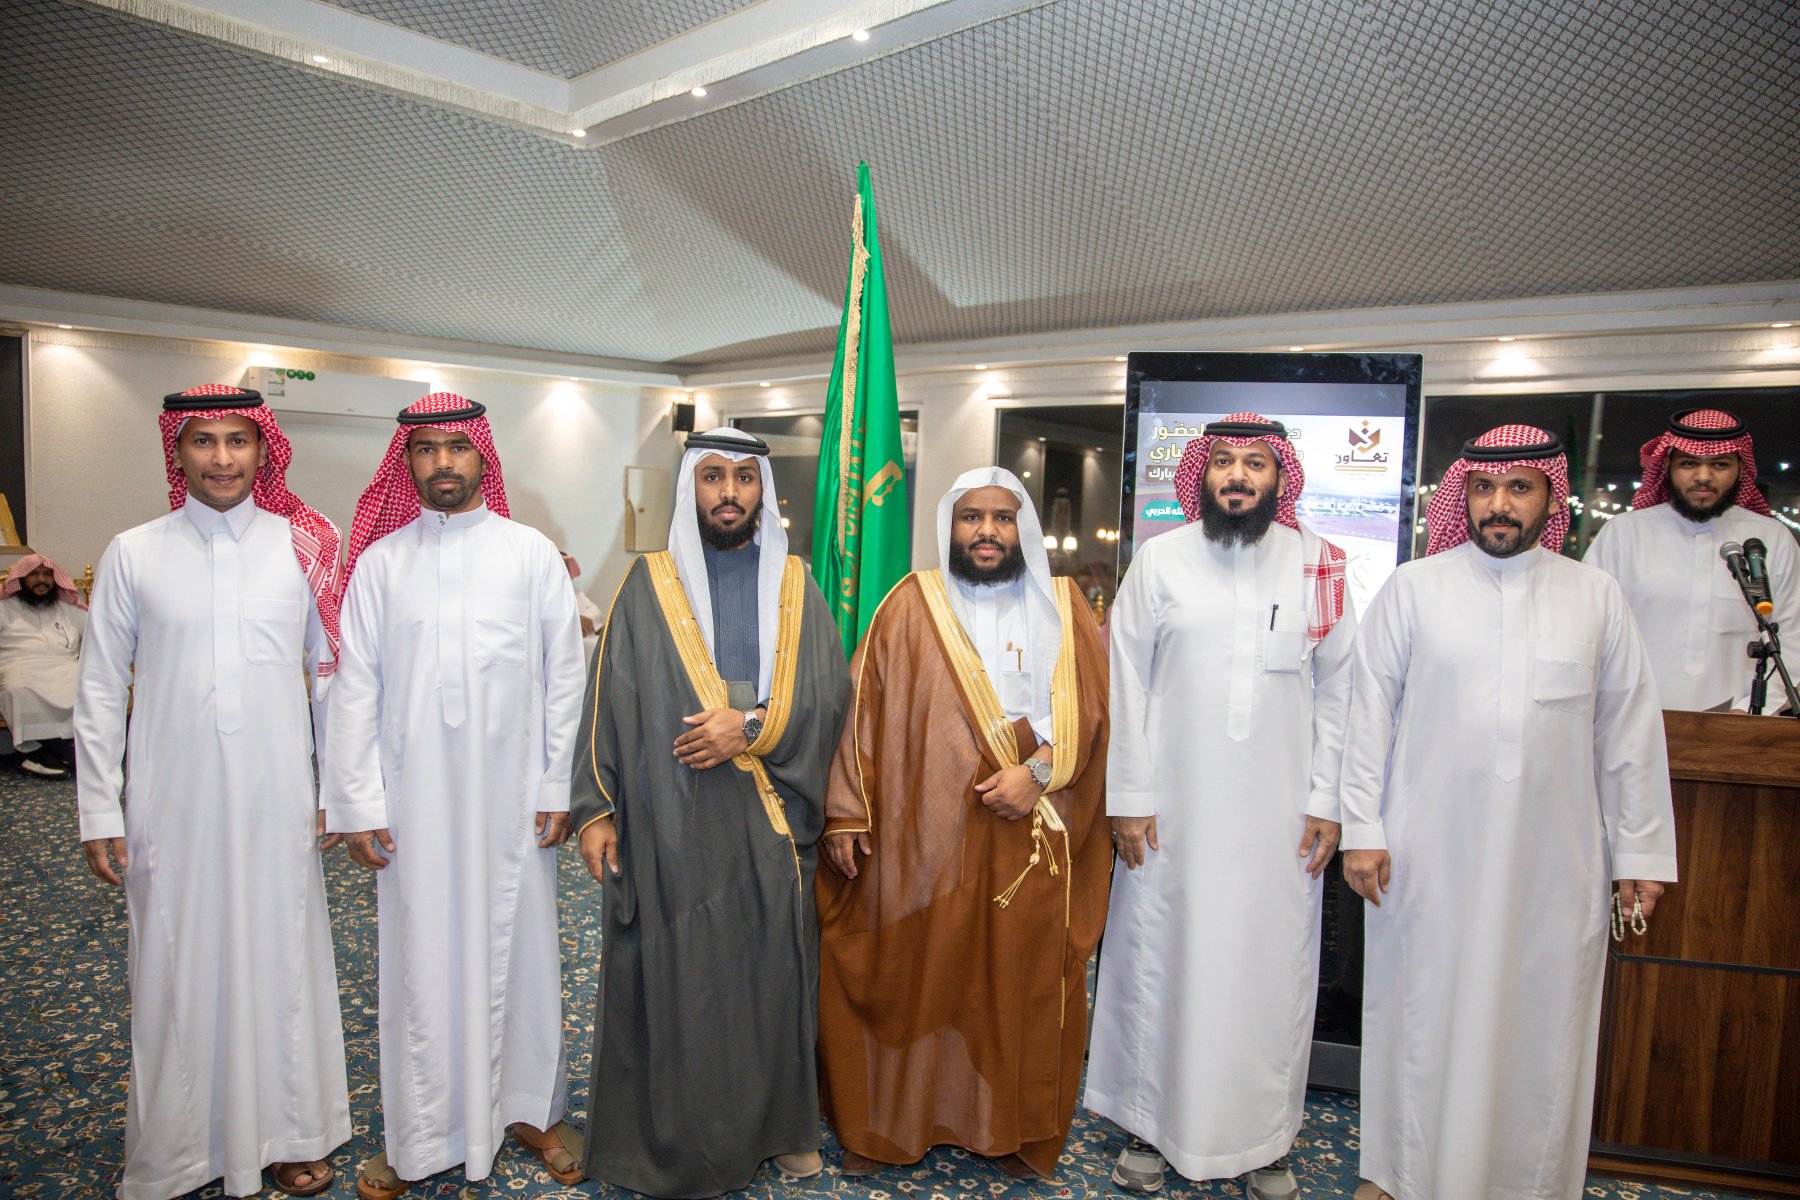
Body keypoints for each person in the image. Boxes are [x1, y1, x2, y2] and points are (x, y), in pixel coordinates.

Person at [1338, 425, 1677, 1200]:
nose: (1499, 504)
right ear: (1463, 495)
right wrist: (1362, 830)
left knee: (1542, 1025)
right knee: (1420, 1012)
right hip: (1427, 855)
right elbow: (1366, 719)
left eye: (1519, 488)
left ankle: (1530, 1182)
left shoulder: (1595, 596)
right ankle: (1398, 1174)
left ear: (1552, 500)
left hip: (1553, 865)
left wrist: (1640, 855)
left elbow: (1629, 732)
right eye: (1485, 488)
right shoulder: (1414, 588)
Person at [74, 383, 349, 1199]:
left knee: (282, 958)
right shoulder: (135, 551)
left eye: (238, 440)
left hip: (277, 796)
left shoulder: (303, 545)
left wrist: (340, 787)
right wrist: (99, 807)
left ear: (263, 449)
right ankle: (182, 1149)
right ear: (178, 450)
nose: (222, 458)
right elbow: (99, 686)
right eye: (204, 441)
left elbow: (332, 678)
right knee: (174, 966)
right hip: (171, 800)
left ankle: (292, 1132)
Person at [571, 427, 851, 1197]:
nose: (729, 493)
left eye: (744, 478)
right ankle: (670, 1138)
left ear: (763, 490)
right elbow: (605, 703)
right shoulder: (645, 584)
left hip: (768, 816)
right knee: (678, 979)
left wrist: (752, 727)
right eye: (713, 477)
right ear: (691, 486)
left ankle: (781, 1130)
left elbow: (828, 695)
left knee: (769, 979)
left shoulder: (796, 584)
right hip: (668, 821)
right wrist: (596, 809)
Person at [323, 393, 586, 1198]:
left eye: (457, 448)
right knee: (420, 961)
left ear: (483, 457)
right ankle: (422, 1133)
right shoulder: (380, 564)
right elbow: (353, 688)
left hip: (515, 803)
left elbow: (565, 678)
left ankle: (532, 1110)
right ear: (407, 461)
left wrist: (556, 784)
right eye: (426, 449)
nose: (443, 463)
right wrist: (357, 802)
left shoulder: (530, 555)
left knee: (526, 953)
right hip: (413, 807)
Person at [1086, 414, 1356, 1198]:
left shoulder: (1319, 564)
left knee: (1269, 976)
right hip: (1170, 816)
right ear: (1202, 474)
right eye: (1225, 461)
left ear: (1280, 477)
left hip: (1281, 822)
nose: (1238, 476)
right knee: (1159, 962)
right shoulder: (1161, 560)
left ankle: (1266, 1140)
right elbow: (1126, 683)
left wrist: (1327, 801)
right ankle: (1148, 1125)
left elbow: (1343, 692)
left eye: (1256, 463)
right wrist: (1128, 798)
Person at [817, 466, 1111, 1181]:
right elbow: (862, 709)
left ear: (1023, 529)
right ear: (950, 525)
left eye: (1002, 518)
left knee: (1015, 978)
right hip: (921, 827)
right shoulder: (907, 603)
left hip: (1030, 822)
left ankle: (1013, 1129)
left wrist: (1037, 773)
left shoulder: (1064, 606)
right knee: (914, 967)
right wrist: (848, 811)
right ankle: (888, 1125)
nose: (987, 531)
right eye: (972, 517)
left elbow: (1094, 712)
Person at [1586, 407, 1798, 711]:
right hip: (1628, 718)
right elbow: (1588, 628)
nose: (1703, 477)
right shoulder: (1624, 532)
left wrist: (1750, 712)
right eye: (1688, 463)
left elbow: (1793, 640)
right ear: (1668, 466)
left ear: (1741, 468)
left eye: (1720, 464)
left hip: (1739, 723)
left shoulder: (1771, 538)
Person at [1, 553, 86, 777]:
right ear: (21, 579)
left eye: (47, 574)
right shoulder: (5, 607)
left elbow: (99, 633)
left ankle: (40, 754)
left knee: (89, 682)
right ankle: (65, 752)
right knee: (17, 689)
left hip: (66, 666)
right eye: (33, 574)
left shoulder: (67, 607)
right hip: (19, 666)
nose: (41, 580)